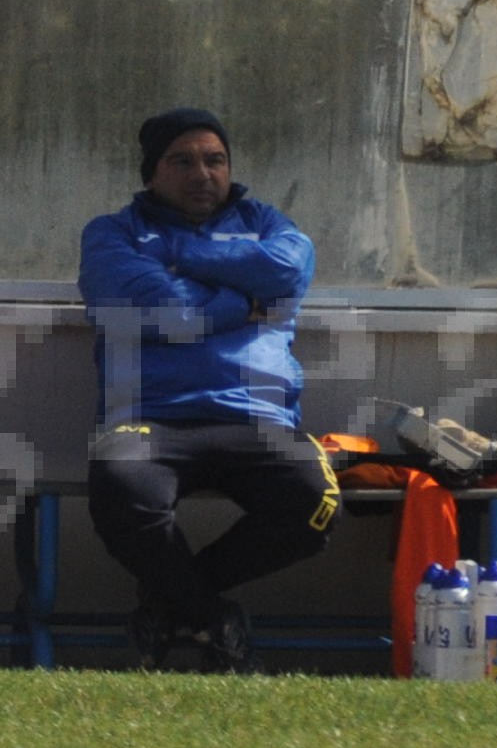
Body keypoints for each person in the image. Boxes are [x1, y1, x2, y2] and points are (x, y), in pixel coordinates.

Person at [78, 104, 332, 672]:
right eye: (183, 161)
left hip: (258, 420)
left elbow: (287, 273)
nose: (203, 174)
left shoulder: (267, 223)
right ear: (151, 174)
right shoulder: (113, 233)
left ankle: (171, 606)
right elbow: (153, 307)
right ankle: (210, 617)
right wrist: (242, 301)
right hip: (150, 419)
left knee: (315, 504)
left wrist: (181, 255)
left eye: (215, 160)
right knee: (120, 488)